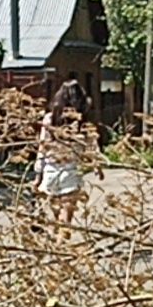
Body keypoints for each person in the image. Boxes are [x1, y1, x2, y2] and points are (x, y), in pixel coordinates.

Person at [34, 80, 102, 232]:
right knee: (66, 216)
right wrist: (96, 166)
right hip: (71, 169)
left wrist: (38, 174)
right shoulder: (82, 121)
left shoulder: (50, 119)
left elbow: (42, 148)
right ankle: (61, 242)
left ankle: (56, 241)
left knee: (57, 214)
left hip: (50, 170)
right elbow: (91, 145)